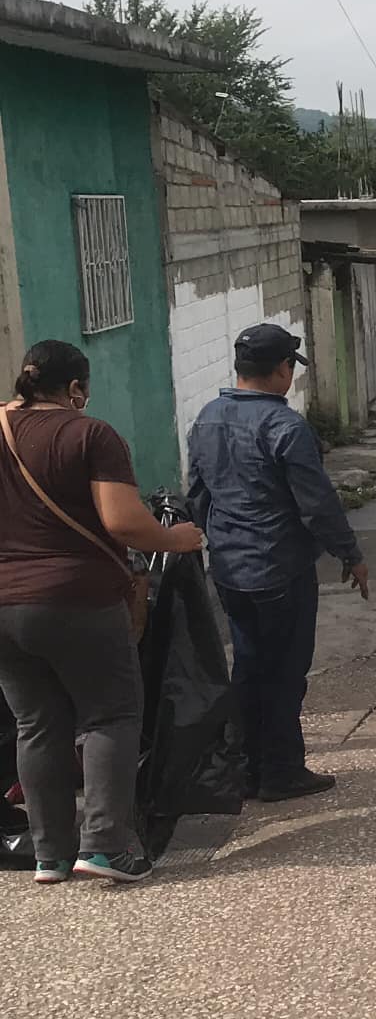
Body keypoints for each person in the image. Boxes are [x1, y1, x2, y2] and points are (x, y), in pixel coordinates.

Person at [0, 340, 205, 884]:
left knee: (36, 724)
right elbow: (123, 522)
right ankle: (106, 848)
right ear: (74, 388)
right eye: (83, 389)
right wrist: (177, 537)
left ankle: (50, 855)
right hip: (76, 598)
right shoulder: (88, 433)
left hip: (2, 603)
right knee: (109, 714)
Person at [187, 324, 368, 802]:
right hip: (280, 569)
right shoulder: (286, 427)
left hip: (229, 570)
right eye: (292, 366)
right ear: (283, 370)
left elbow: (197, 496)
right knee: (285, 671)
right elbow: (317, 504)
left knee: (248, 666)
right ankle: (282, 770)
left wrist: (221, 542)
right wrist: (350, 553)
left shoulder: (206, 419)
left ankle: (244, 769)